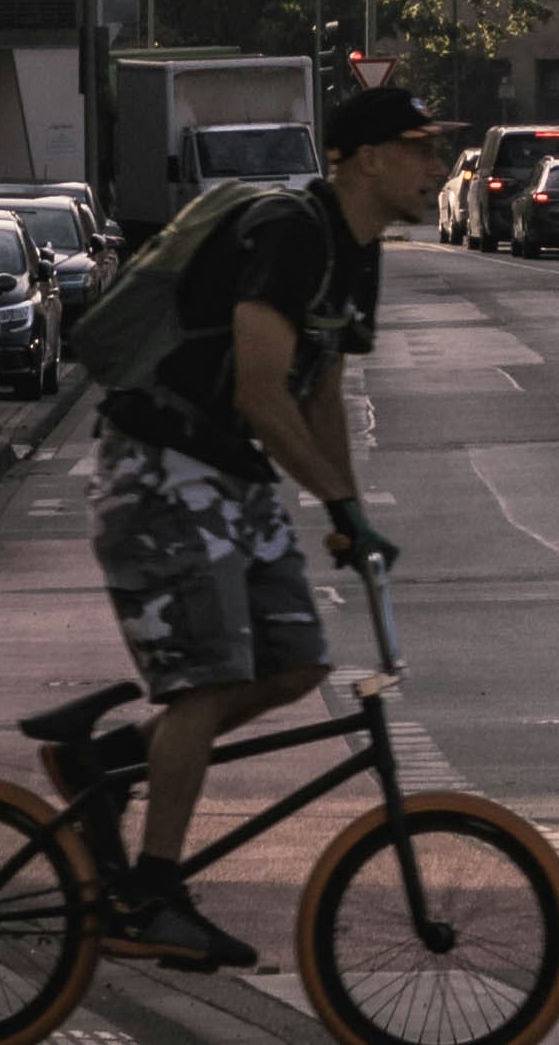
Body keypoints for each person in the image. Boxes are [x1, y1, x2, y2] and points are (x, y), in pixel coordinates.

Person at [85, 78, 447, 968]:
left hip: (232, 473)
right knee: (205, 682)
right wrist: (337, 502)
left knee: (295, 664)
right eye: (421, 149)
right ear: (367, 160)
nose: (438, 168)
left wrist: (347, 517)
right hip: (162, 464)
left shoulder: (359, 250)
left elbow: (321, 390)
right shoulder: (289, 232)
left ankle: (113, 764)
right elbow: (259, 386)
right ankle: (148, 894)